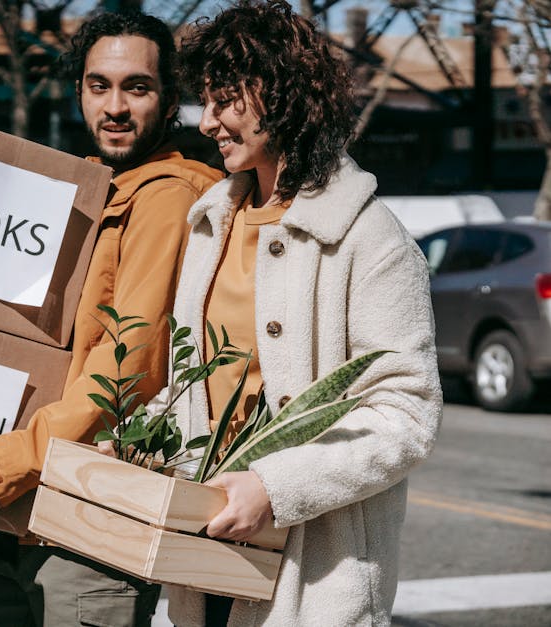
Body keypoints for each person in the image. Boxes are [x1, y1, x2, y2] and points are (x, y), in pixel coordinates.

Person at [151, 1, 443, 625]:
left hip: (314, 580)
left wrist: (277, 489)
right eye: (205, 102)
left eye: (225, 100)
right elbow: (190, 387)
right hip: (202, 555)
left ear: (278, 94)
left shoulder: (370, 239)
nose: (206, 123)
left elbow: (406, 413)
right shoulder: (209, 224)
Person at [0, 10, 223, 626]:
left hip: (87, 519)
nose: (115, 106)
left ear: (170, 98)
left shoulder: (169, 196)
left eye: (136, 87)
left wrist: (9, 460)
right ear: (80, 91)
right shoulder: (96, 186)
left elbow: (129, 368)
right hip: (21, 509)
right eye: (99, 86)